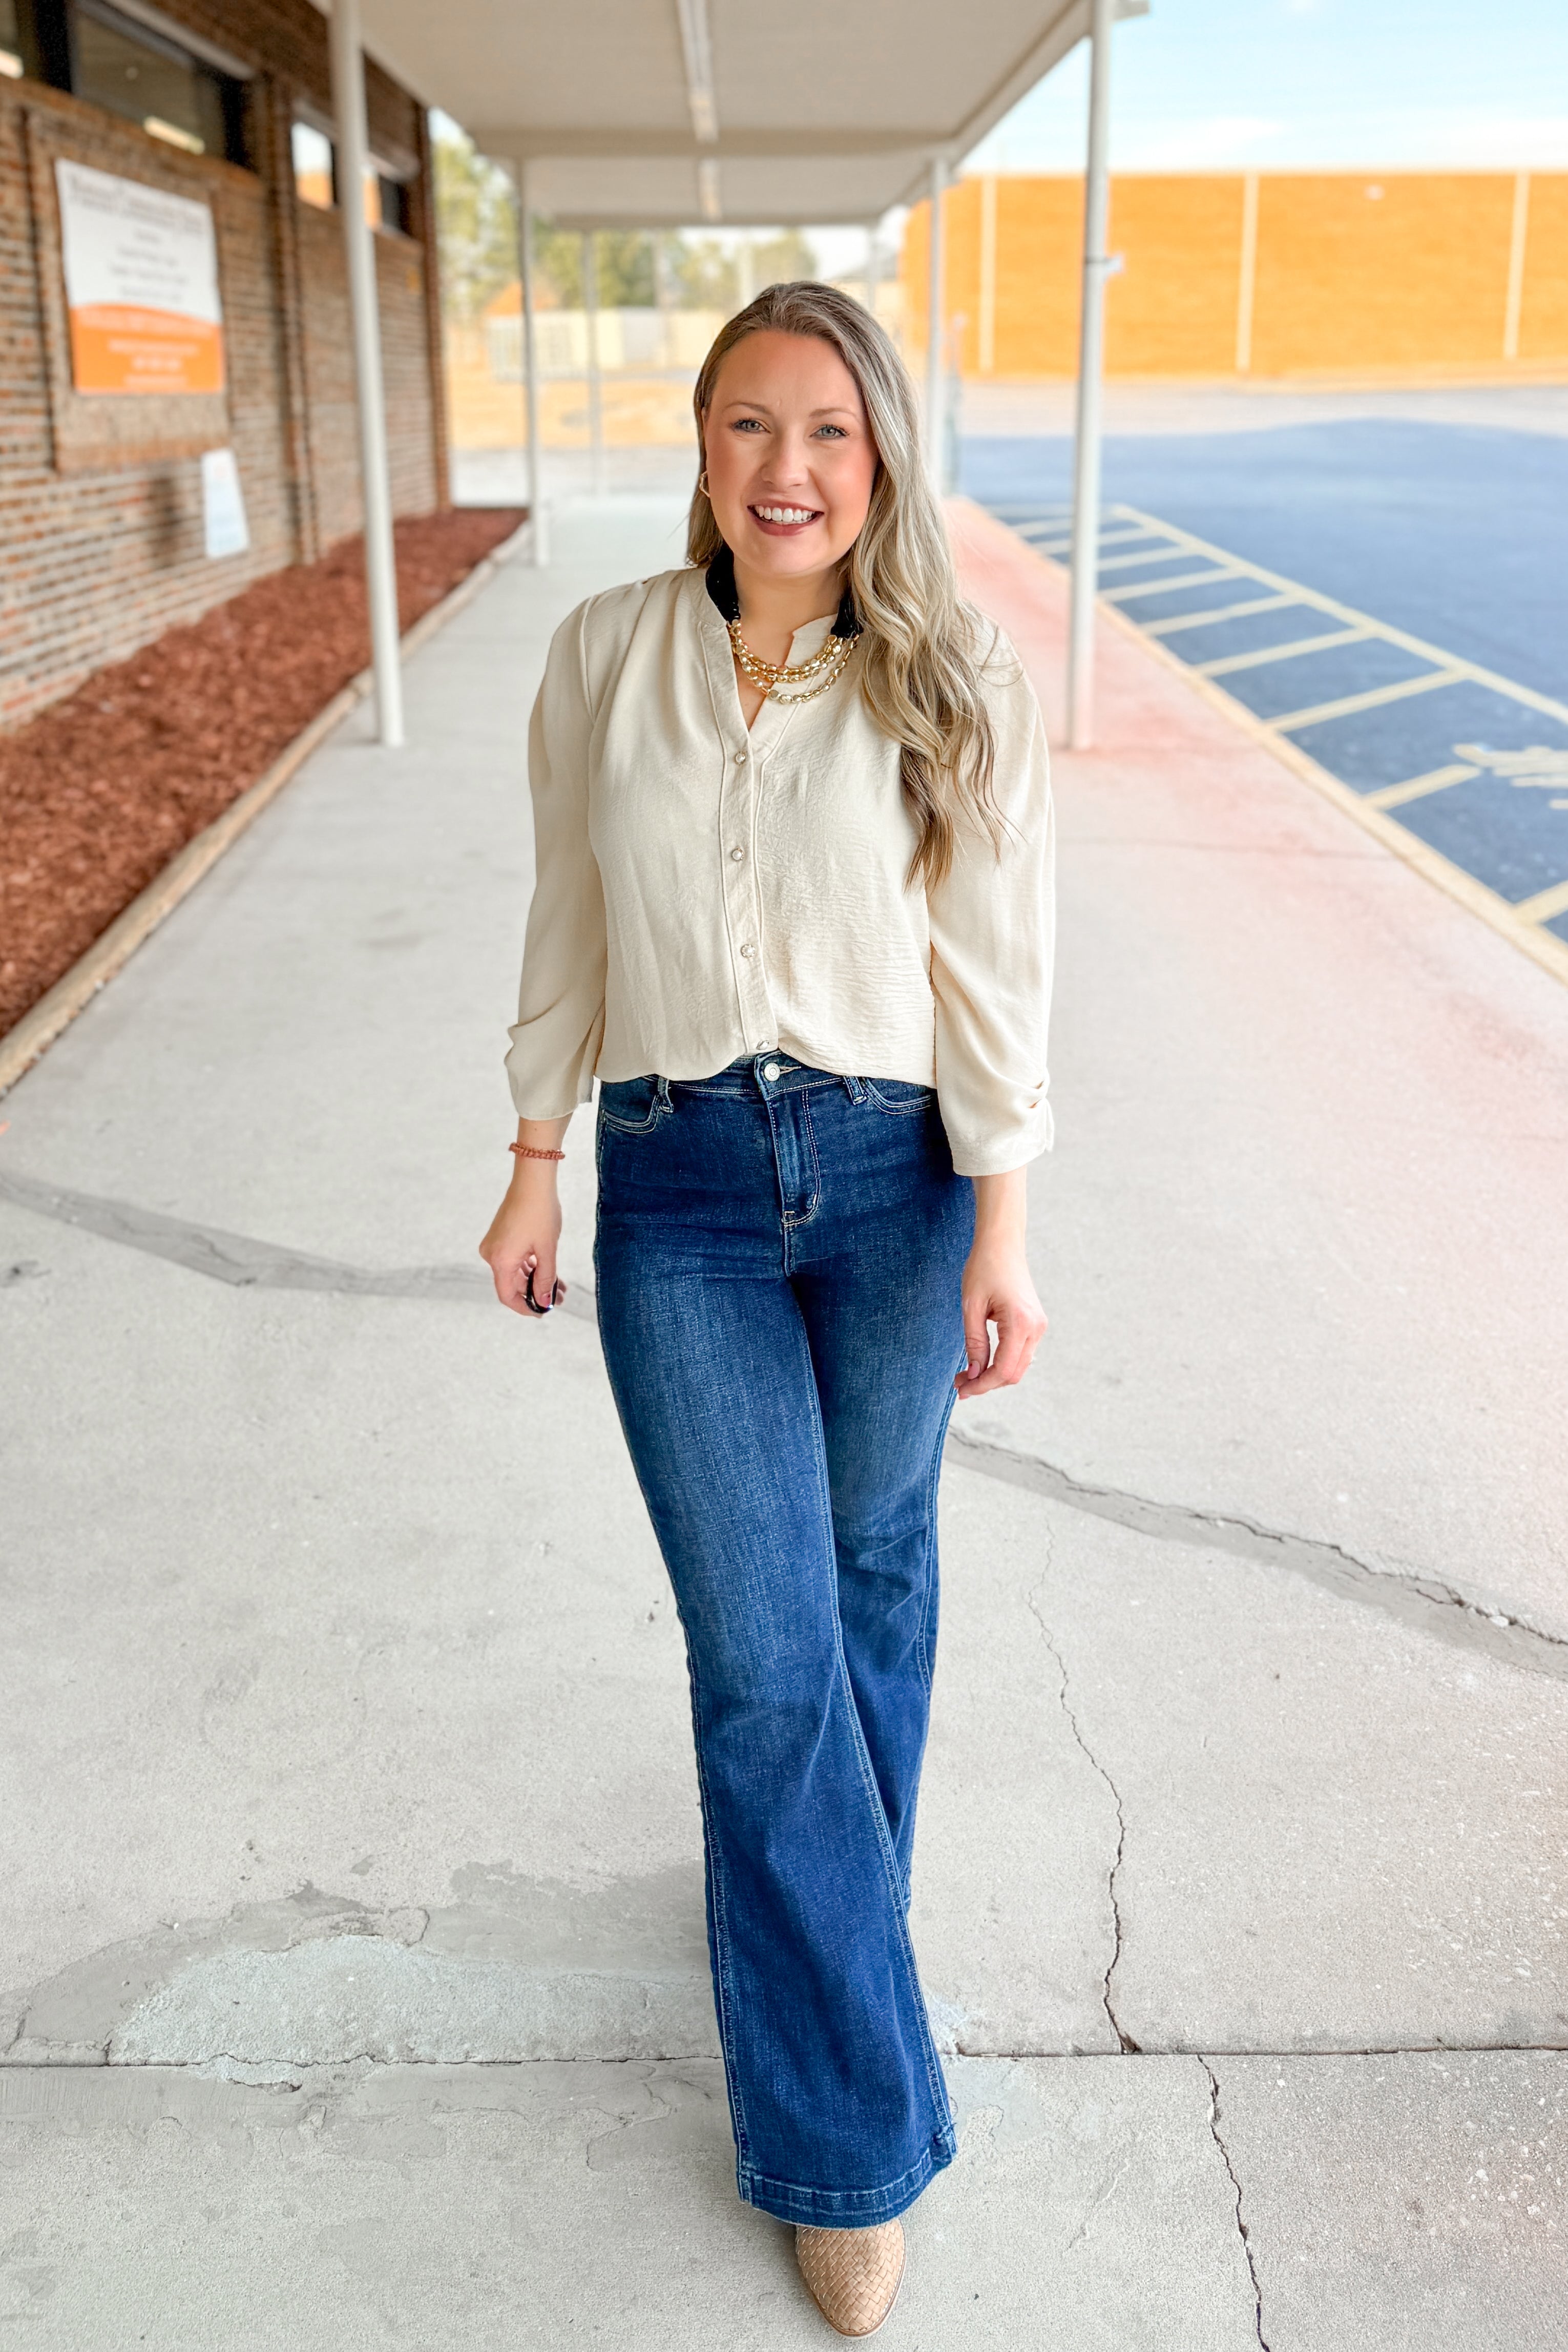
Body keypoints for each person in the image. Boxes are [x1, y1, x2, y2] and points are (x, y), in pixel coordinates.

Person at [480, 280, 1053, 2338]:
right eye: (747, 425)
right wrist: (535, 1153)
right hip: (685, 1190)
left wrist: (1005, 1219)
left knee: (875, 1574)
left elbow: (995, 966)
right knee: (764, 1652)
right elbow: (565, 910)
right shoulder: (604, 656)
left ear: (877, 454)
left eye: (826, 429)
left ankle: (829, 1953)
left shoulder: (950, 668)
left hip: (899, 1182)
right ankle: (846, 2133)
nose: (786, 467)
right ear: (701, 447)